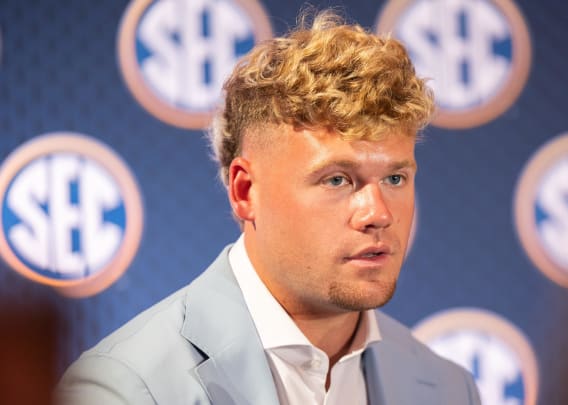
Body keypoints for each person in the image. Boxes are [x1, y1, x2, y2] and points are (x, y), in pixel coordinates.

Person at [55, 10, 481, 405]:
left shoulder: (447, 387)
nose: (378, 213)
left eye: (394, 178)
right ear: (245, 192)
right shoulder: (125, 389)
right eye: (337, 179)